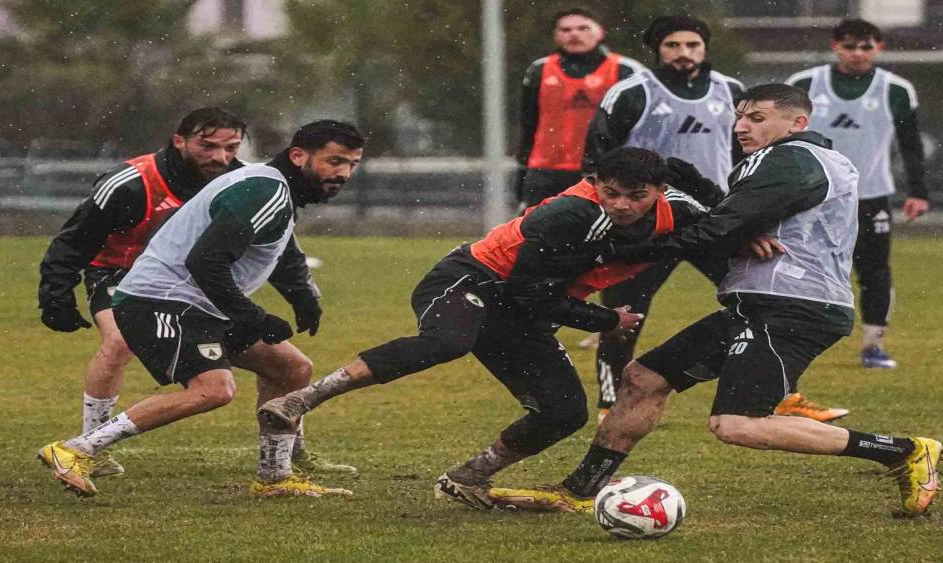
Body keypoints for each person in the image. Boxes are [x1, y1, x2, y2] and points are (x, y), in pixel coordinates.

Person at [488, 84, 943, 517]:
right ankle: (580, 491)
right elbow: (729, 214)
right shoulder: (782, 162)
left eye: (757, 118)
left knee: (738, 424)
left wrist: (616, 251)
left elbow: (719, 227)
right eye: (740, 117)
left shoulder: (795, 159)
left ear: (797, 122)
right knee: (643, 379)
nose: (742, 127)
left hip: (794, 306)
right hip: (758, 304)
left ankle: (903, 451)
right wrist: (695, 187)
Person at [258, 147, 729, 510]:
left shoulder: (678, 210)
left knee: (564, 412)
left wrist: (754, 238)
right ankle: (302, 400)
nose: (622, 205)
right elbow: (529, 291)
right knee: (447, 341)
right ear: (594, 184)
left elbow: (723, 219)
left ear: (659, 190)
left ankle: (468, 478)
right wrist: (607, 320)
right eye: (611, 193)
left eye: (636, 196)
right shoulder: (566, 215)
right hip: (474, 279)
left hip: (522, 311)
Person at [37, 120, 365, 498]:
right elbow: (205, 261)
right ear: (297, 156)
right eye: (334, 161)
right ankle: (75, 449)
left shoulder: (269, 186)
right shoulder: (266, 190)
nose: (343, 173)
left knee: (292, 369)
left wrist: (302, 298)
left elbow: (270, 252)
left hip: (199, 303)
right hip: (161, 301)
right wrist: (253, 316)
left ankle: (275, 476)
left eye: (351, 164)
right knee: (214, 390)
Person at [581, 15, 845, 423]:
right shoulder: (632, 92)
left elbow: (754, 164)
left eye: (692, 45)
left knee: (757, 304)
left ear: (704, 48)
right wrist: (617, 211)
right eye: (673, 45)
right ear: (657, 49)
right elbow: (597, 160)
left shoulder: (732, 93)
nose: (683, 53)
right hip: (651, 221)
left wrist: (745, 221)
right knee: (624, 315)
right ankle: (610, 403)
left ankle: (783, 395)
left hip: (715, 217)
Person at [786, 18, 928, 369]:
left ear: (879, 48)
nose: (858, 53)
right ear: (836, 46)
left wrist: (918, 191)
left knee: (874, 272)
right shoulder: (804, 84)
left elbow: (911, 145)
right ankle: (793, 343)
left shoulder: (895, 89)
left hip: (870, 196)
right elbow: (781, 138)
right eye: (850, 46)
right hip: (816, 198)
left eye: (866, 47)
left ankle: (873, 347)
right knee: (803, 271)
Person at [516, 7, 644, 207]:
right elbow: (528, 122)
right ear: (556, 35)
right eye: (565, 30)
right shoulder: (539, 70)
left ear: (600, 32)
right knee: (536, 226)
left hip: (605, 172)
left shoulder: (625, 70)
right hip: (547, 170)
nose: (574, 34)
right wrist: (523, 168)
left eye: (583, 28)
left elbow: (642, 126)